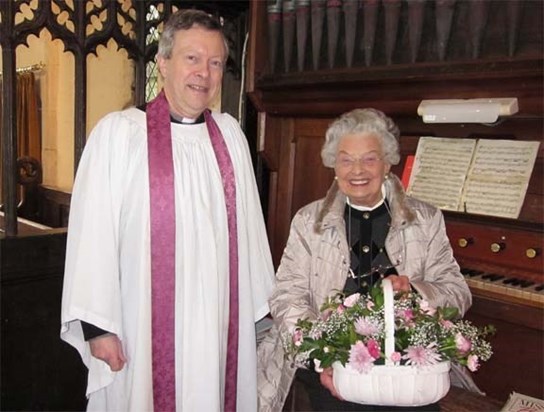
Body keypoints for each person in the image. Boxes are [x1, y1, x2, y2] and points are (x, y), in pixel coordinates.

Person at [61, 9, 275, 412]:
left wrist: (254, 316)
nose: (204, 74)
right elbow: (93, 235)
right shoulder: (120, 135)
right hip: (140, 325)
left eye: (214, 63)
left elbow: (250, 237)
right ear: (163, 63)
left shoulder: (230, 137)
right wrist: (98, 327)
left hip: (217, 324)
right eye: (192, 59)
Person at [257, 108, 479, 411]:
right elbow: (287, 296)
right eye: (346, 159)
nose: (357, 170)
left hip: (408, 368)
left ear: (387, 162)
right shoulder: (309, 221)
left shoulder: (425, 219)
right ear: (334, 164)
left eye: (369, 158)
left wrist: (414, 292)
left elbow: (457, 292)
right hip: (331, 363)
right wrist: (321, 355)